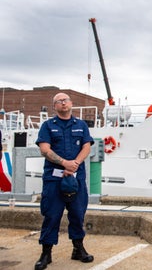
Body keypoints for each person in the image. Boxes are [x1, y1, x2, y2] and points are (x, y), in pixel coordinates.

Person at [34, 93, 94, 270]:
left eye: (65, 100)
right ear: (55, 106)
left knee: (77, 214)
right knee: (52, 215)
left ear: (71, 103)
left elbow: (87, 146)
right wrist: (64, 163)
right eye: (58, 101)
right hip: (54, 178)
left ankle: (78, 249)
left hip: (76, 177)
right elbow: (44, 149)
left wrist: (74, 164)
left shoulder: (81, 125)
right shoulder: (47, 126)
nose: (63, 103)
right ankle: (46, 253)